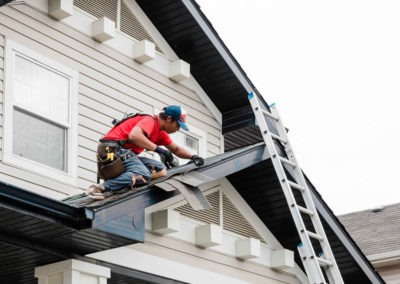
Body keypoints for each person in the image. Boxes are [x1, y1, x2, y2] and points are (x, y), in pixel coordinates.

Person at [87, 105, 205, 200]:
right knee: (143, 173)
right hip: (110, 149)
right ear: (169, 119)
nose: (178, 129)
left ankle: (124, 183)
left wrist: (194, 156)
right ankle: (99, 188)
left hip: (124, 154)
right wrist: (159, 150)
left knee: (161, 170)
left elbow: (176, 149)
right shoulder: (150, 120)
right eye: (177, 125)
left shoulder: (160, 132)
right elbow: (134, 136)